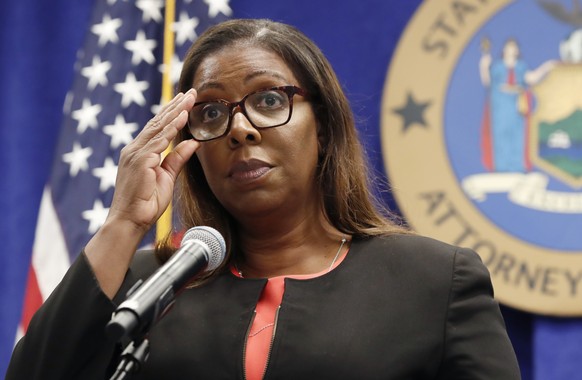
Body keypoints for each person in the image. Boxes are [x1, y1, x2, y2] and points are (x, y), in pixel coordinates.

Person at [7, 19, 521, 379]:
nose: (240, 129)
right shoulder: (149, 286)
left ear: (324, 124)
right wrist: (123, 222)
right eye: (210, 113)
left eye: (269, 100)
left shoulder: (433, 280)